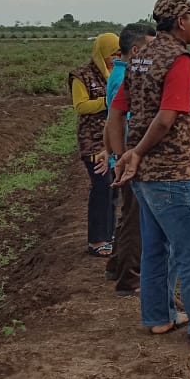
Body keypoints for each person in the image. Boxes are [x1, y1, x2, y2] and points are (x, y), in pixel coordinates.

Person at [108, 0, 190, 351]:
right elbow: (166, 117)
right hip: (173, 173)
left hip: (145, 178)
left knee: (157, 248)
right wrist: (137, 153)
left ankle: (160, 317)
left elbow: (115, 112)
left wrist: (123, 157)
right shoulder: (179, 60)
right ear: (180, 22)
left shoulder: (139, 57)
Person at [100, 22, 155, 295]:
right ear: (135, 50)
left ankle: (116, 265)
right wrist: (122, 155)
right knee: (136, 219)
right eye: (149, 47)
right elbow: (118, 120)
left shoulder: (118, 73)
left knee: (128, 215)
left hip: (122, 157)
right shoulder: (126, 78)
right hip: (129, 157)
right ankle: (130, 279)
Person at [69, 32, 119, 257]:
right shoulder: (81, 75)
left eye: (118, 53)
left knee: (112, 188)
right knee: (101, 187)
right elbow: (80, 106)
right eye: (111, 54)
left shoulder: (116, 73)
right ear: (101, 53)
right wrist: (107, 101)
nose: (114, 58)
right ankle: (97, 241)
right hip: (92, 140)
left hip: (112, 137)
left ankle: (110, 235)